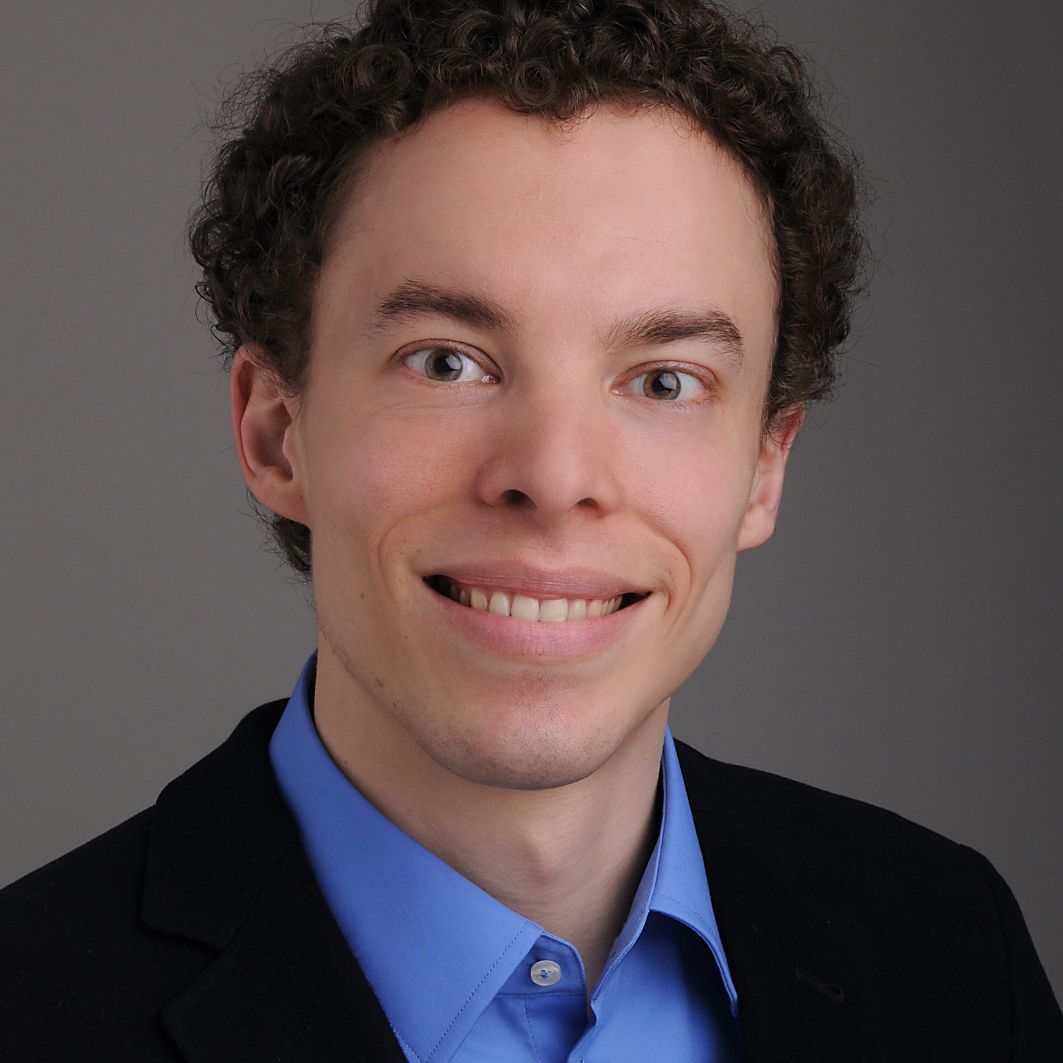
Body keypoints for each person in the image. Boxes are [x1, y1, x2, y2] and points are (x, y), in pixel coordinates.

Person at [1, 0, 1060, 1059]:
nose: (555, 478)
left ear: (763, 468)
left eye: (663, 380)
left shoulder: (950, 954)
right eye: (446, 362)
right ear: (277, 434)